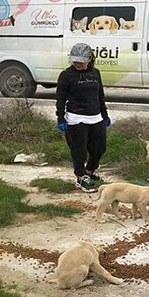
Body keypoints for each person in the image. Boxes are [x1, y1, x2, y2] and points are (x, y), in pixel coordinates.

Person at [55, 43, 111, 193]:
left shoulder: (95, 73)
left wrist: (104, 115)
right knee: (78, 150)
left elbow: (100, 95)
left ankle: (90, 171)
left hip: (95, 116)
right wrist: (60, 118)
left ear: (89, 59)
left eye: (81, 61)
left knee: (100, 147)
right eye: (75, 61)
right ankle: (80, 177)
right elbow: (60, 98)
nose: (78, 64)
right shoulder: (66, 75)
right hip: (75, 118)